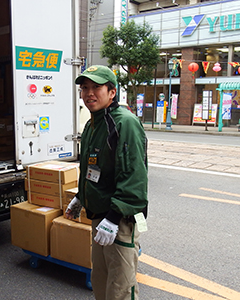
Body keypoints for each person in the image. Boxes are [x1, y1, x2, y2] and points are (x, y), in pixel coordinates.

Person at [65, 65, 148, 300]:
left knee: (121, 285)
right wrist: (81, 197)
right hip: (99, 215)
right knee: (101, 279)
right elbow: (93, 167)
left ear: (112, 92)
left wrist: (114, 217)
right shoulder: (92, 125)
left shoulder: (125, 123)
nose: (89, 93)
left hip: (119, 219)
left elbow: (134, 177)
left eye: (96, 87)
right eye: (84, 88)